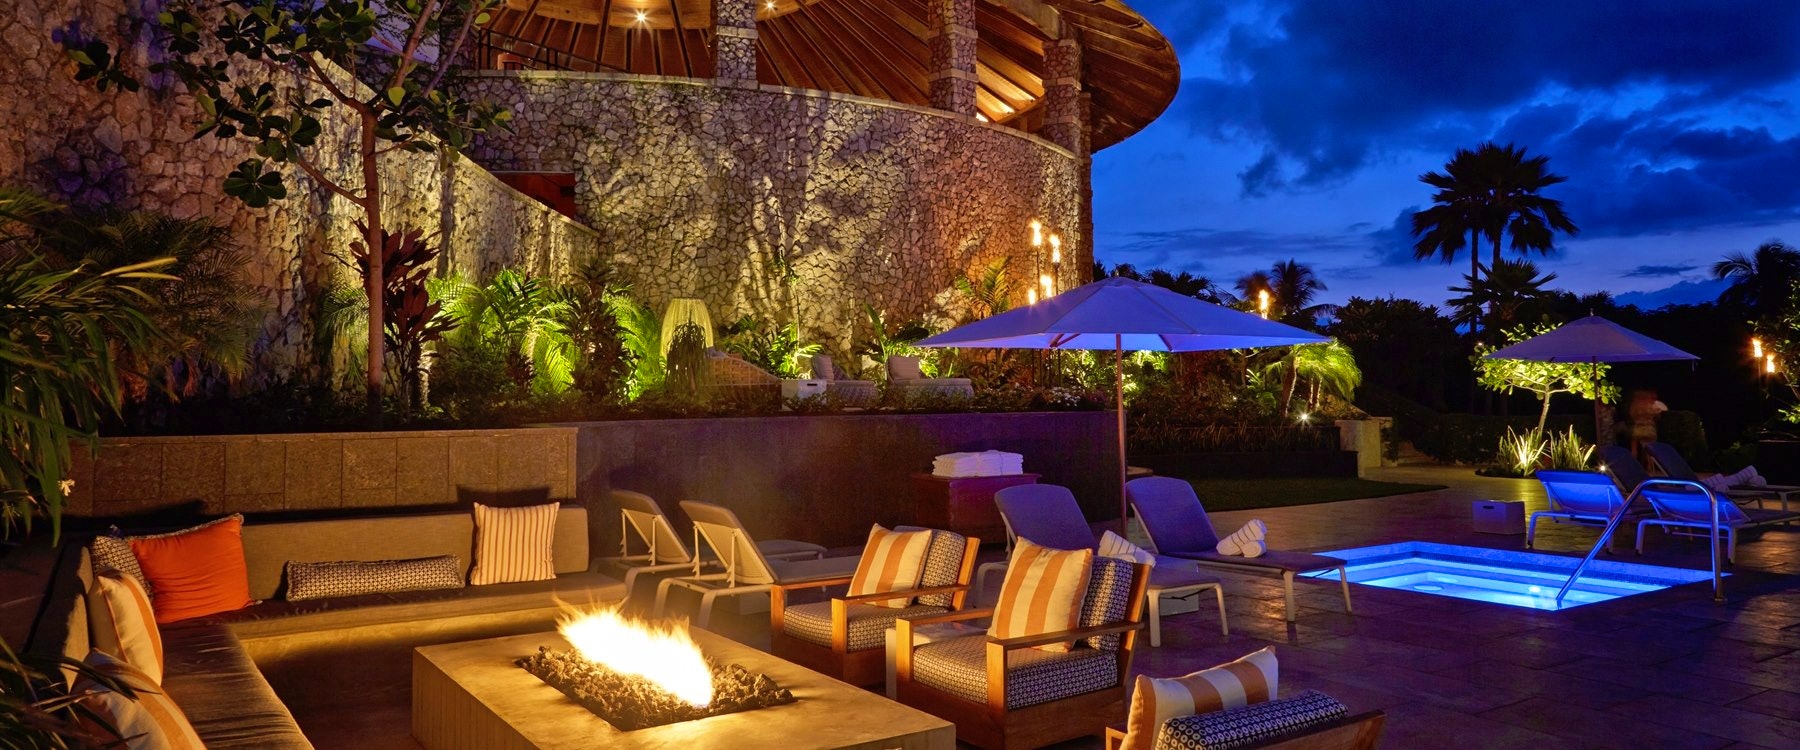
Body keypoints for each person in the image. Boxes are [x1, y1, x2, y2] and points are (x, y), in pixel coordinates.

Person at [1627, 389, 1668, 464]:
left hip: (1638, 428)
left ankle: (1633, 465)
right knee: (1649, 451)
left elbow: (1632, 415)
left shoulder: (1635, 405)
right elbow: (1658, 418)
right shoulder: (1653, 406)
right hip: (1649, 429)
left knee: (1634, 448)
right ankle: (1650, 468)